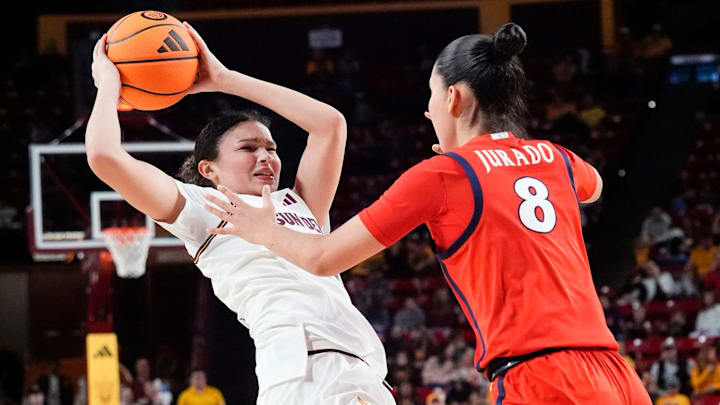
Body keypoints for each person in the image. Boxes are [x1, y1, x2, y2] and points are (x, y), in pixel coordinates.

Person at [204, 23, 651, 404]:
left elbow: (324, 258)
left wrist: (264, 229)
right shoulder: (555, 158)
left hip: (542, 378)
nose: (427, 109)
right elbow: (594, 187)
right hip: (616, 373)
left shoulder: (443, 175)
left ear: (453, 98)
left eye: (432, 96)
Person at [86, 22, 393, 405]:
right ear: (208, 170)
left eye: (272, 148)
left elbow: (330, 125)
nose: (265, 156)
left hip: (364, 373)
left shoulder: (301, 201)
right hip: (307, 374)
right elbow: (104, 157)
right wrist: (108, 85)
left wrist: (225, 79)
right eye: (248, 148)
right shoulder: (200, 209)